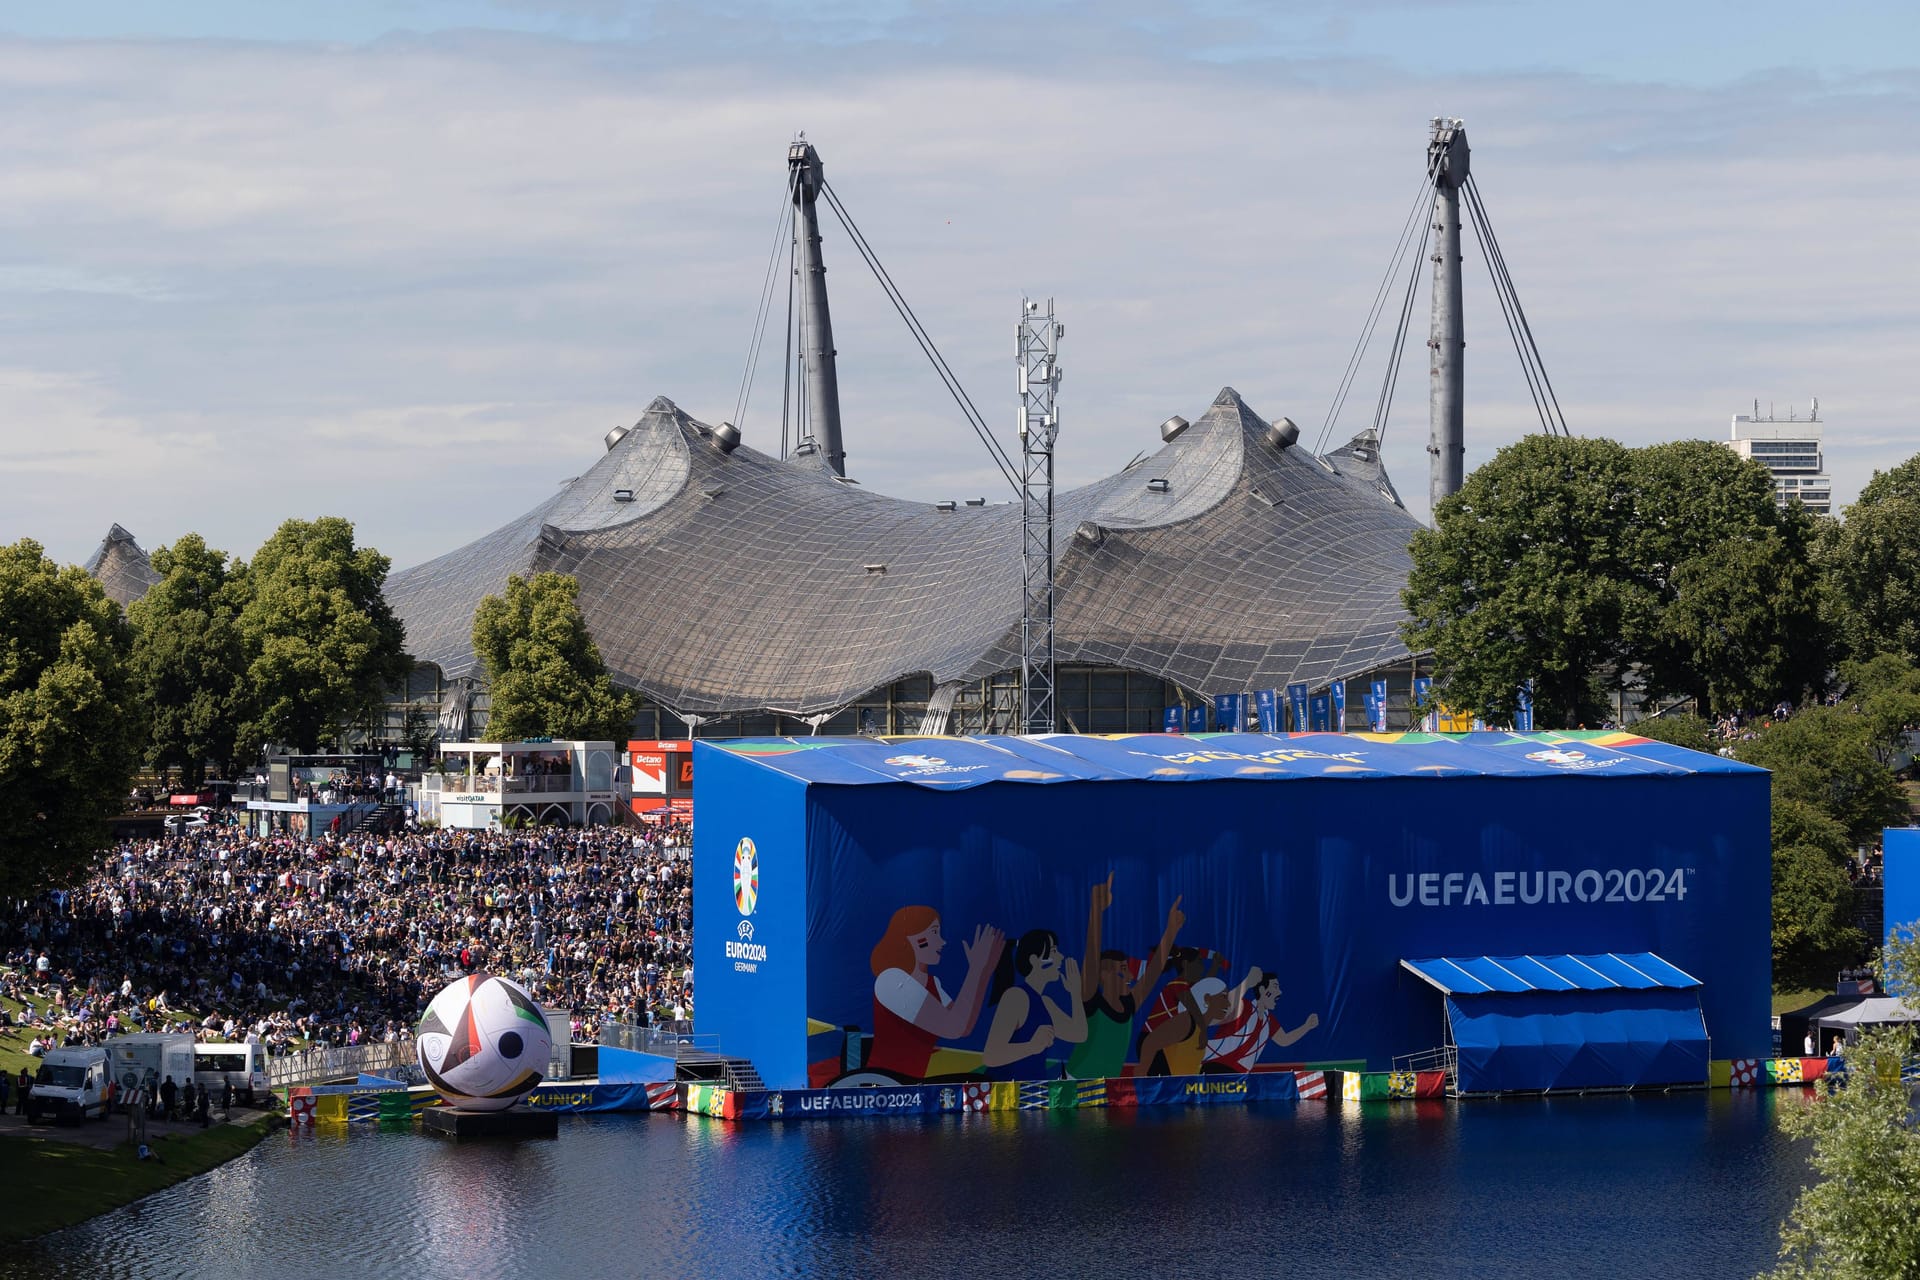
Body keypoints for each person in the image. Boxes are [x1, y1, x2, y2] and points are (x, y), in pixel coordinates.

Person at [865, 906, 1004, 1082]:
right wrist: (976, 969)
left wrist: (984, 970)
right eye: (934, 933)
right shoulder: (890, 980)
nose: (942, 942)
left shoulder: (933, 984)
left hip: (915, 1085)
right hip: (886, 1084)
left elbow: (964, 1027)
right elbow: (954, 1027)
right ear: (913, 938)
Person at [1067, 880, 1185, 1081]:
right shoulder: (1091, 1002)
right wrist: (1096, 909)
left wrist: (1171, 931)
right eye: (1123, 970)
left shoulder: (1129, 1005)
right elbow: (1092, 955)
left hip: (1105, 1090)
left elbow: (1154, 970)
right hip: (1074, 1086)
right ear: (1103, 974)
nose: (1130, 976)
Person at [981, 929, 1087, 1081]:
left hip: (1035, 1094)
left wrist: (1075, 993)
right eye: (1053, 951)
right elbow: (991, 1055)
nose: (1060, 957)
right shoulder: (1015, 997)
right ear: (1034, 960)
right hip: (1006, 1095)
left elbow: (1079, 1034)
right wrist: (1031, 1046)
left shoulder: (1045, 1003)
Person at [1203, 969, 1320, 1073]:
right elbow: (1224, 1009)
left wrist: (1306, 1026)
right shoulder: (1244, 1006)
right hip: (1215, 1066)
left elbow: (1284, 1040)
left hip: (1240, 1075)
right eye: (1275, 987)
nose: (1280, 992)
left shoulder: (1268, 1020)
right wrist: (1247, 982)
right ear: (1263, 990)